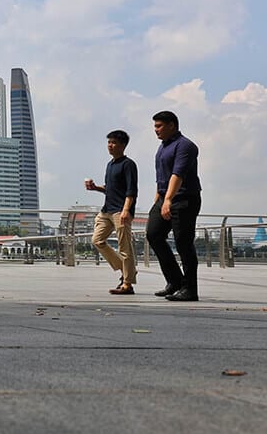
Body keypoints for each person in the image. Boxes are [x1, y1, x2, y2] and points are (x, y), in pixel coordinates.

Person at [145, 111, 202, 302]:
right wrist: (158, 200)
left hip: (184, 198)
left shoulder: (185, 146)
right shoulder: (163, 147)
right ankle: (175, 281)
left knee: (183, 243)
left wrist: (168, 199)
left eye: (159, 126)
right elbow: (162, 177)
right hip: (164, 197)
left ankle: (190, 289)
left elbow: (178, 174)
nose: (156, 130)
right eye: (155, 126)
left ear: (172, 125)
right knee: (153, 234)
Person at [85, 130, 138, 295]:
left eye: (114, 142)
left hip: (120, 212)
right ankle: (127, 269)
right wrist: (95, 188)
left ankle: (127, 284)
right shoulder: (110, 164)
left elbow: (131, 191)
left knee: (125, 248)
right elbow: (110, 189)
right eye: (109, 142)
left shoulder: (128, 164)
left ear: (123, 145)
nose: (110, 145)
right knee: (97, 240)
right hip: (106, 211)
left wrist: (126, 210)